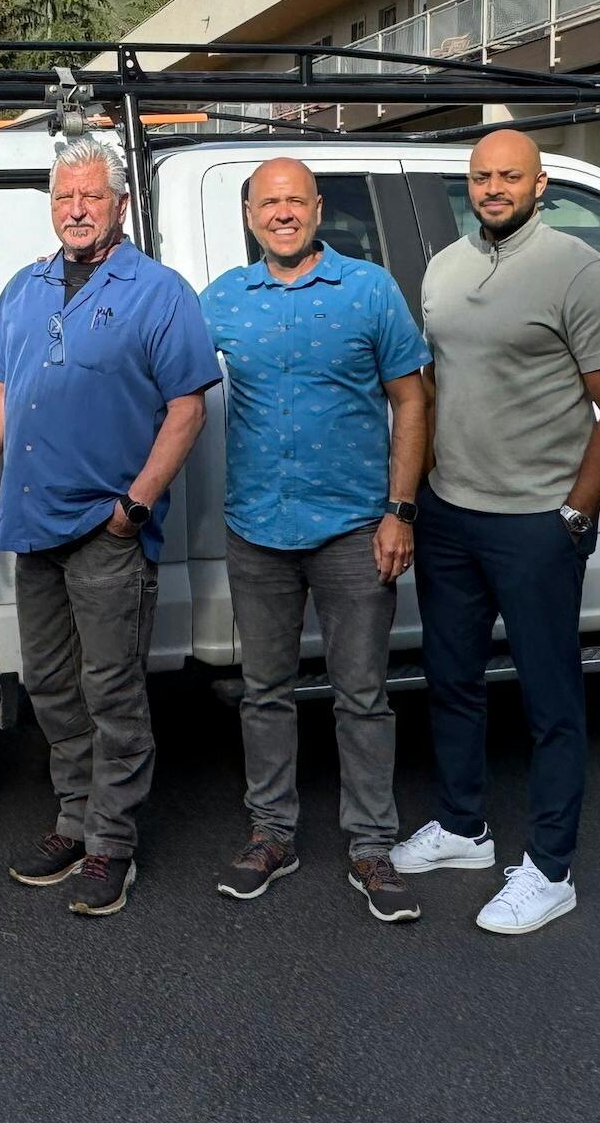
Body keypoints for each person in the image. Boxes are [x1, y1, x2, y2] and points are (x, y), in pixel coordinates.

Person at [0, 135, 220, 918]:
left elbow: (188, 408)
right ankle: (73, 817)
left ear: (119, 205)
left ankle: (112, 842)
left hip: (108, 532)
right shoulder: (27, 288)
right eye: (64, 198)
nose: (75, 210)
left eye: (91, 197)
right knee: (52, 689)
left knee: (112, 692)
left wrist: (133, 505)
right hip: (34, 525)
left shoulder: (159, 291)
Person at [391, 129, 600, 936]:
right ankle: (465, 827)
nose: (493, 187)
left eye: (509, 176)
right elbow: (428, 391)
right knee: (453, 679)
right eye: (480, 176)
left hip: (537, 522)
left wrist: (575, 511)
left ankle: (550, 867)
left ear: (540, 185)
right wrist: (415, 496)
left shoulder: (578, 270)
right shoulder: (444, 267)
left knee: (550, 699)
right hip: (451, 514)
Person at [199, 158, 432, 922]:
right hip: (256, 529)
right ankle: (273, 833)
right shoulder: (222, 300)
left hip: (354, 527)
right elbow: (166, 381)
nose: (283, 213)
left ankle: (370, 842)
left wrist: (400, 509)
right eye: (269, 203)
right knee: (263, 693)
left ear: (318, 209)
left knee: (362, 695)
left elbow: (411, 398)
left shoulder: (369, 290)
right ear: (249, 216)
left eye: (295, 200)